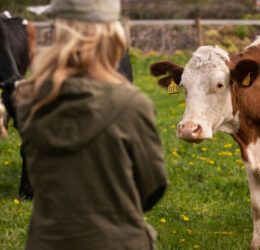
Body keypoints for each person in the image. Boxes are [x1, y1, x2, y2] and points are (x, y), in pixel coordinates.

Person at [15, 0, 169, 249]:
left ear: (58, 32)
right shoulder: (132, 105)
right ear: (113, 34)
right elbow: (152, 188)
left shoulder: (27, 100)